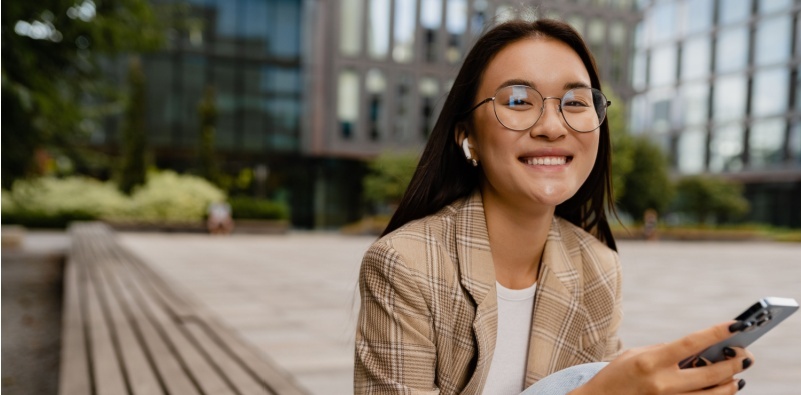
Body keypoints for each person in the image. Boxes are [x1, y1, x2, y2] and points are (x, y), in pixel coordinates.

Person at [354, 18, 754, 395]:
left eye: (576, 102)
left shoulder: (597, 268)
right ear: (468, 137)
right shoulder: (405, 264)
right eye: (517, 100)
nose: (551, 126)